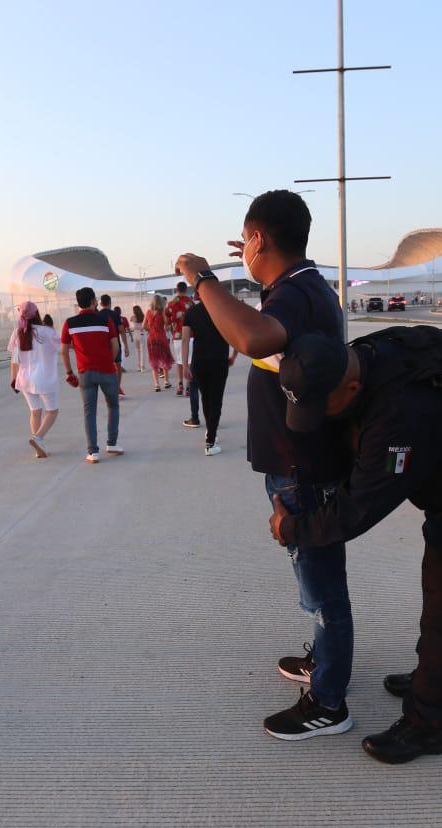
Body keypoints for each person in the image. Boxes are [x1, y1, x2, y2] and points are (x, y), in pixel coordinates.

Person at [268, 328, 442, 763]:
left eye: (323, 407)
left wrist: (291, 528)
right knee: (439, 591)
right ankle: (430, 677)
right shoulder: (367, 354)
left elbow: (358, 510)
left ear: (352, 387)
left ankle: (428, 725)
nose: (320, 418)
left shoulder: (403, 415)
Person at [174, 189, 354, 741]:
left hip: (304, 467)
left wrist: (203, 277)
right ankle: (325, 662)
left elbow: (251, 334)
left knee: (323, 588)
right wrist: (253, 273)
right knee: (314, 577)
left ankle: (328, 702)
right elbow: (268, 327)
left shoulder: (296, 294)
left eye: (248, 239)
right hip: (296, 461)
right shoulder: (297, 288)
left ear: (257, 239)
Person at [60, 286, 123, 463]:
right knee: (113, 406)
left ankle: (93, 452)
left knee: (90, 412)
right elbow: (115, 346)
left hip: (85, 373)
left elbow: (64, 351)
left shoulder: (69, 323)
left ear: (78, 303)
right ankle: (112, 443)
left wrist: (69, 372)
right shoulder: (104, 321)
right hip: (107, 371)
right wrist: (108, 361)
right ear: (93, 301)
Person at [180, 284, 238, 455]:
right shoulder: (224, 311)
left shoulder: (191, 312)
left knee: (206, 398)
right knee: (216, 399)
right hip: (219, 360)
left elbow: (184, 340)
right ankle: (210, 442)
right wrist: (233, 356)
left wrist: (185, 364)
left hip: (199, 361)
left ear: (197, 294)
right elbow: (235, 334)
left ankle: (210, 432)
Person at [8, 300, 61, 458]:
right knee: (52, 411)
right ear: (36, 313)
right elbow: (62, 346)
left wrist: (13, 379)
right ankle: (38, 438)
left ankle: (39, 446)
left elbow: (14, 358)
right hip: (44, 377)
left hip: (24, 378)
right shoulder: (47, 331)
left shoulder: (18, 332)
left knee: (35, 411)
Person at [166, 282, 193, 396]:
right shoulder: (191, 303)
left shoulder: (171, 304)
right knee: (189, 361)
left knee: (179, 361)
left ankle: (180, 385)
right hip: (190, 335)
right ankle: (188, 387)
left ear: (176, 290)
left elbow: (167, 322)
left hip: (177, 336)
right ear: (186, 289)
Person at [99, 294, 128, 397]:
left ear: (101, 303)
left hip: (103, 346)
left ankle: (108, 388)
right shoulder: (115, 315)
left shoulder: (97, 315)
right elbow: (122, 331)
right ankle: (117, 387)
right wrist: (126, 346)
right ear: (110, 303)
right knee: (118, 366)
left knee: (106, 367)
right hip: (116, 344)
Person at [144, 296, 174, 391]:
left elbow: (143, 326)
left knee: (154, 361)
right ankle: (166, 382)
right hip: (161, 338)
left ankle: (156, 385)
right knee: (164, 359)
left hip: (151, 339)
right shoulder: (162, 312)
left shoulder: (148, 312)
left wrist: (151, 330)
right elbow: (167, 326)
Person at [131, 304, 147, 371]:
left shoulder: (133, 317)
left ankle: (138, 367)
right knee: (142, 351)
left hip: (135, 333)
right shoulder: (143, 316)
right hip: (141, 333)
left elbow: (131, 320)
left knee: (137, 350)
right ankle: (142, 366)